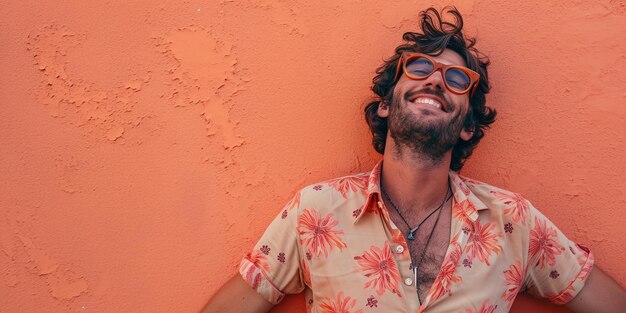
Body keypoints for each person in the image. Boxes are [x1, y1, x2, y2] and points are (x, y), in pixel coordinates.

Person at [203, 6, 626, 313]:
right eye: (419, 68)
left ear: (466, 125)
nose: (437, 80)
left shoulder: (513, 220)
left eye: (458, 79)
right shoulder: (314, 212)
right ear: (386, 104)